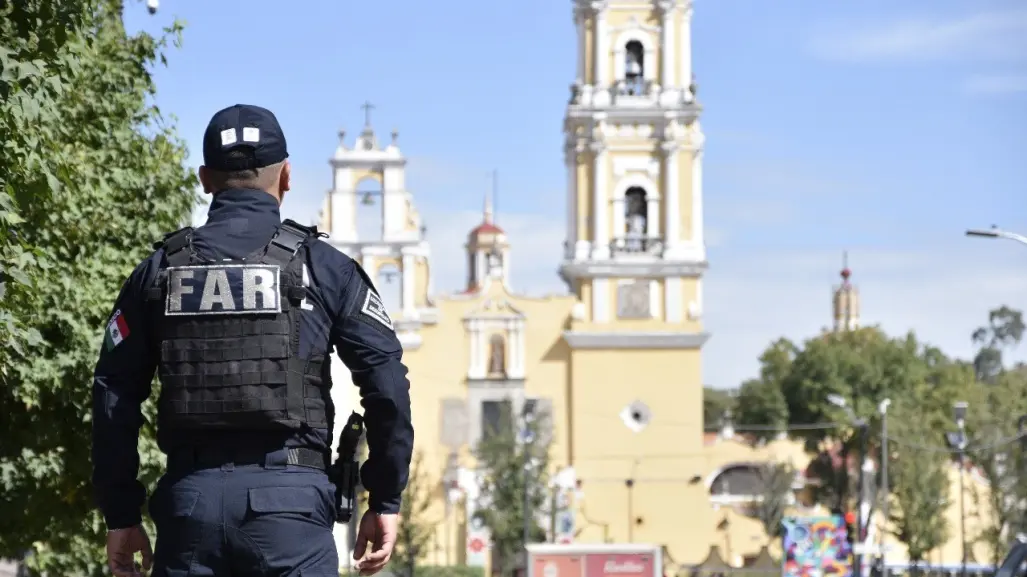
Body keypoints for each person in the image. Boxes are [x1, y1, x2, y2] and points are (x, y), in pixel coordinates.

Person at [91, 104, 414, 577]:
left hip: (189, 512)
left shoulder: (160, 270)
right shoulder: (324, 268)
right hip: (293, 519)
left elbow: (112, 394)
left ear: (204, 178)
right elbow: (386, 384)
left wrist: (120, 513)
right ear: (286, 176)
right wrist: (384, 497)